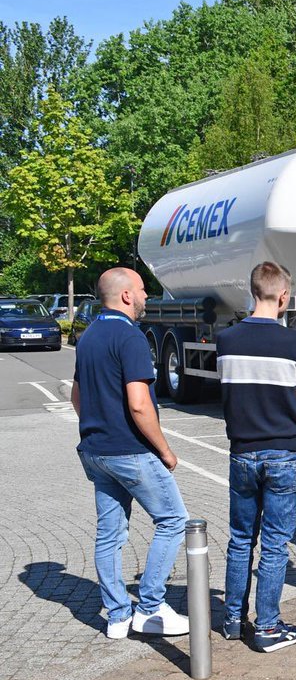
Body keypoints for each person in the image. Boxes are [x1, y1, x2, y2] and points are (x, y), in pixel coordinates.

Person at [71, 267, 189, 639]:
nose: (145, 297)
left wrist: (100, 423)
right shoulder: (130, 337)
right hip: (130, 451)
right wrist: (165, 451)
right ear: (125, 296)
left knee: (109, 534)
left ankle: (118, 615)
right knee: (173, 520)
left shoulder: (88, 336)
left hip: (95, 450)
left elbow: (76, 395)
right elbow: (140, 406)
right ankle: (151, 607)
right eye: (141, 290)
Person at [217, 261, 296, 652]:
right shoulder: (294, 342)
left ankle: (231, 620)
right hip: (284, 451)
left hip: (242, 451)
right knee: (275, 544)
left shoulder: (227, 340)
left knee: (241, 538)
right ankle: (268, 626)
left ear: (251, 291)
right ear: (283, 296)